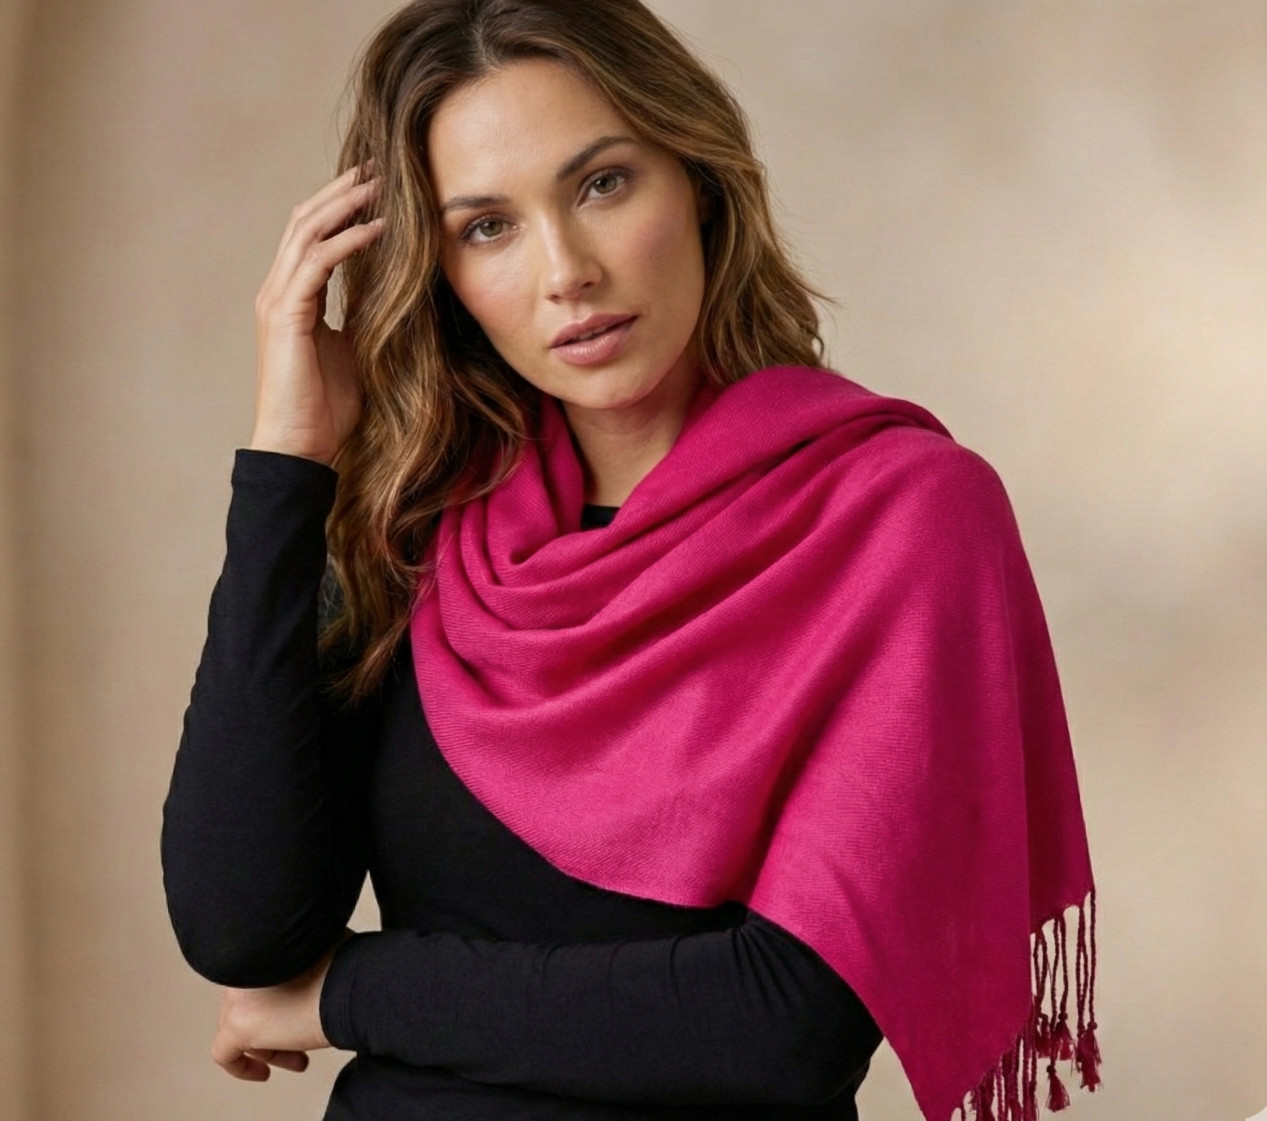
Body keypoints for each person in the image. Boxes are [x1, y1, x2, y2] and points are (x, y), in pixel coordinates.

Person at [160, 2, 1102, 1119]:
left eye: (602, 183)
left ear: (696, 179)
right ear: (440, 272)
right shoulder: (418, 527)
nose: (566, 271)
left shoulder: (898, 516)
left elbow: (779, 1027)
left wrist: (350, 992)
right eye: (487, 227)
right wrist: (288, 464)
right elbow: (242, 927)